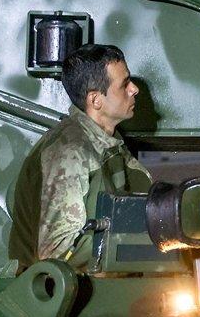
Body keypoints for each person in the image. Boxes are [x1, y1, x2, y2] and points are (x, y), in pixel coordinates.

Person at [9, 44, 151, 270]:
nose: (134, 89)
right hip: (56, 295)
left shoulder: (108, 142)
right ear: (95, 100)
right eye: (124, 84)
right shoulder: (70, 151)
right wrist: (142, 242)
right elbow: (58, 251)